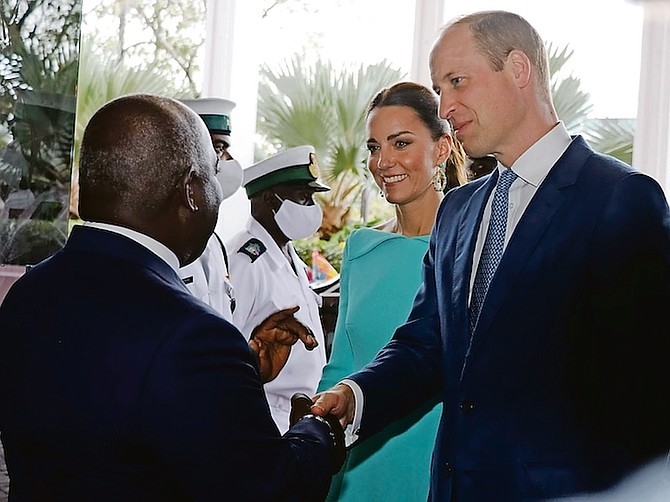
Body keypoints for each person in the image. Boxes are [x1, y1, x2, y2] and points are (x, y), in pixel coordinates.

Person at [312, 10, 670, 502]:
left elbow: (646, 398)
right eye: (439, 90)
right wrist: (357, 395)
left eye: (457, 82)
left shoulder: (620, 198)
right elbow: (425, 343)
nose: (446, 106)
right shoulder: (458, 209)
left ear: (518, 70)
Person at [0, 94, 345, 500]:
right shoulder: (193, 337)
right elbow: (270, 487)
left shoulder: (28, 293)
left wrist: (241, 371)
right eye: (212, 178)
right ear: (192, 192)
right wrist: (319, 430)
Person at [317, 81, 468, 502]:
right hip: (356, 467)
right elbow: (343, 362)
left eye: (401, 143)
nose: (383, 162)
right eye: (373, 147)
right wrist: (316, 423)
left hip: (437, 467)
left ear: (441, 148)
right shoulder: (362, 248)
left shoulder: (470, 249)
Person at [179, 97, 312, 383]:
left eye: (226, 148)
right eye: (217, 148)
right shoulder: (168, 246)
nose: (226, 161)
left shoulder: (212, 246)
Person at [227, 145, 330, 433]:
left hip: (297, 416)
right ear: (270, 200)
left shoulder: (288, 254)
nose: (311, 208)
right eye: (302, 198)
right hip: (265, 418)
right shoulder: (245, 261)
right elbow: (231, 349)